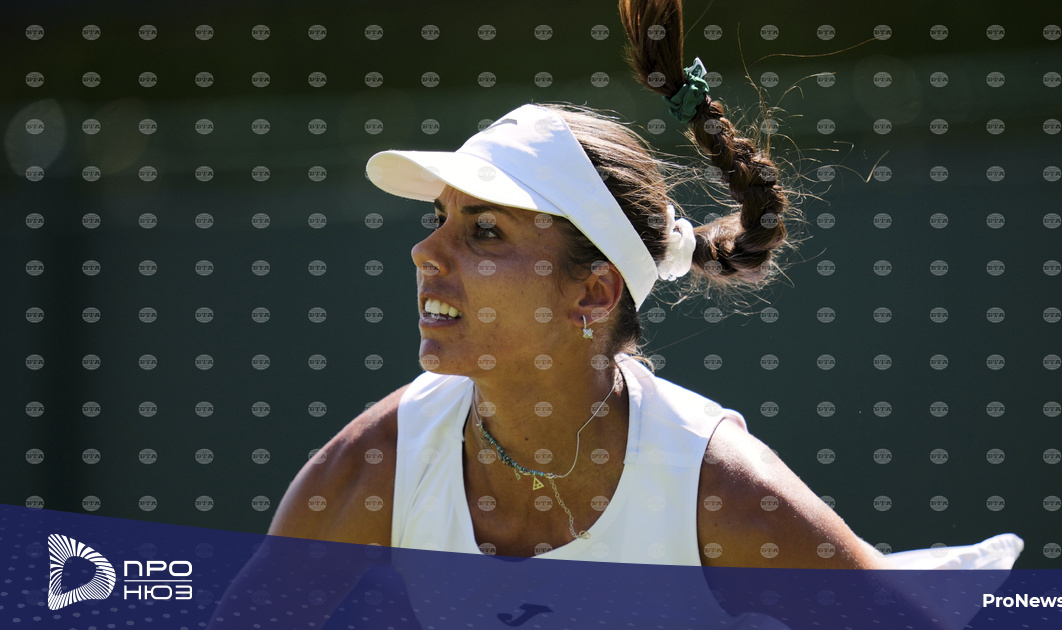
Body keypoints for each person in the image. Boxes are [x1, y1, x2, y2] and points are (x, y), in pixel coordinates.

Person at [267, 0, 1021, 572]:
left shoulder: (720, 491)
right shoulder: (380, 461)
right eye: (440, 218)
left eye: (486, 230)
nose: (425, 250)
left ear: (593, 295)